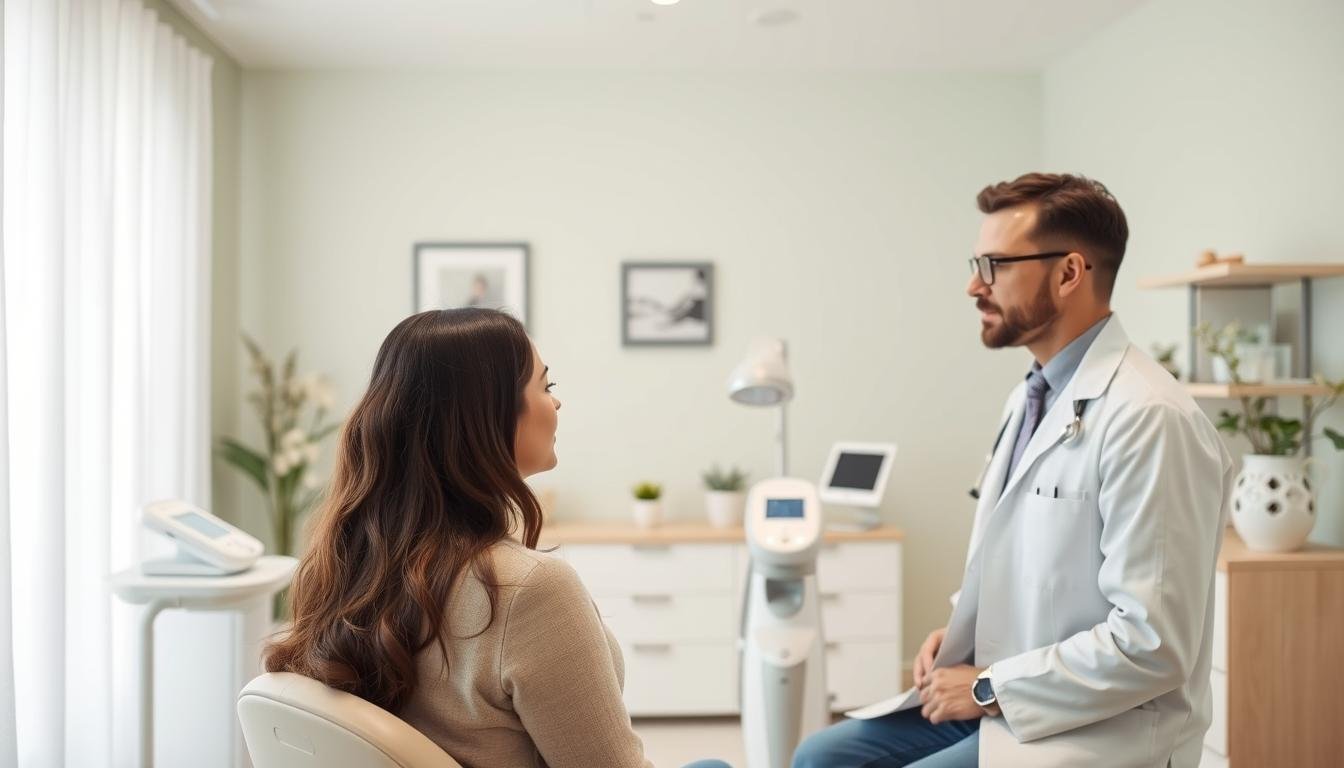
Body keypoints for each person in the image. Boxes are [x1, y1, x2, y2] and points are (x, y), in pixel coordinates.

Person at [794, 173, 1233, 767]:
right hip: (1015, 698)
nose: (975, 284)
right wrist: (959, 639)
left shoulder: (1150, 418)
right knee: (821, 757)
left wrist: (986, 686)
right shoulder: (1033, 395)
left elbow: (1152, 647)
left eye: (996, 264)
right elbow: (1020, 558)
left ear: (1069, 272)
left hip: (1102, 726)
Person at [265, 308, 729, 768]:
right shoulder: (529, 589)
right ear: (489, 417)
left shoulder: (347, 567)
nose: (557, 403)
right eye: (546, 386)